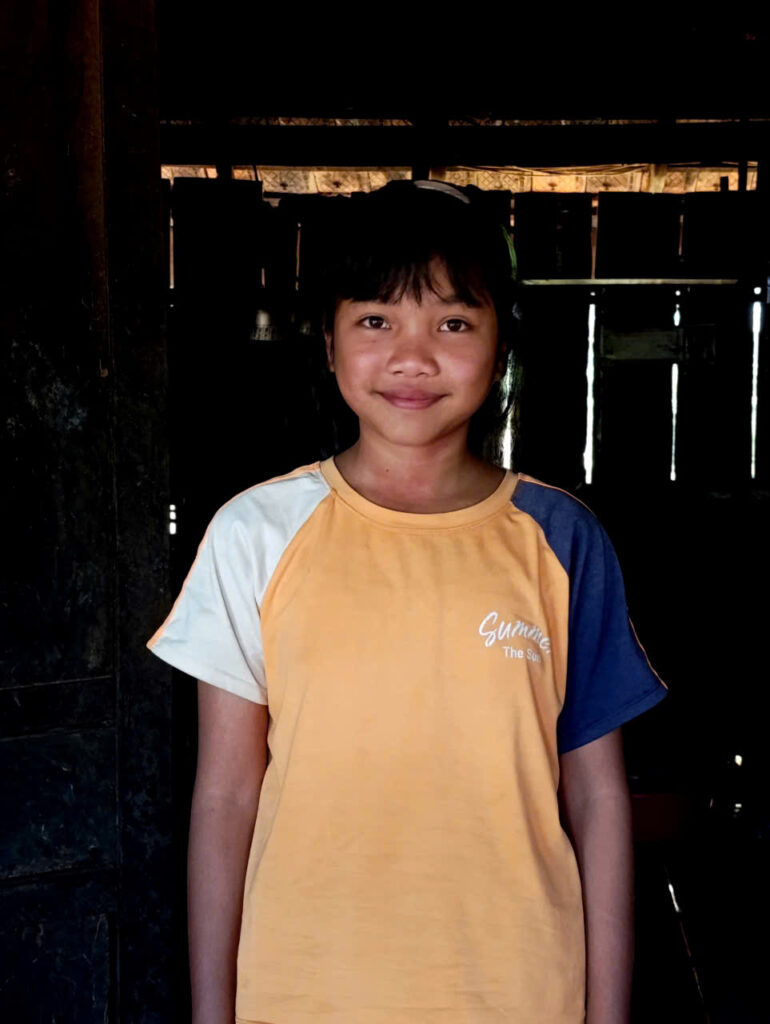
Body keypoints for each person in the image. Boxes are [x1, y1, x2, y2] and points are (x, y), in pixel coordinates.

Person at [146, 180, 669, 1024]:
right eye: (375, 320)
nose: (413, 357)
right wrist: (214, 1012)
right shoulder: (257, 534)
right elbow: (227, 797)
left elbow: (600, 800)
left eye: (453, 323)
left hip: (520, 993)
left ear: (501, 344)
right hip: (304, 994)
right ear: (328, 342)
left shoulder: (559, 540)